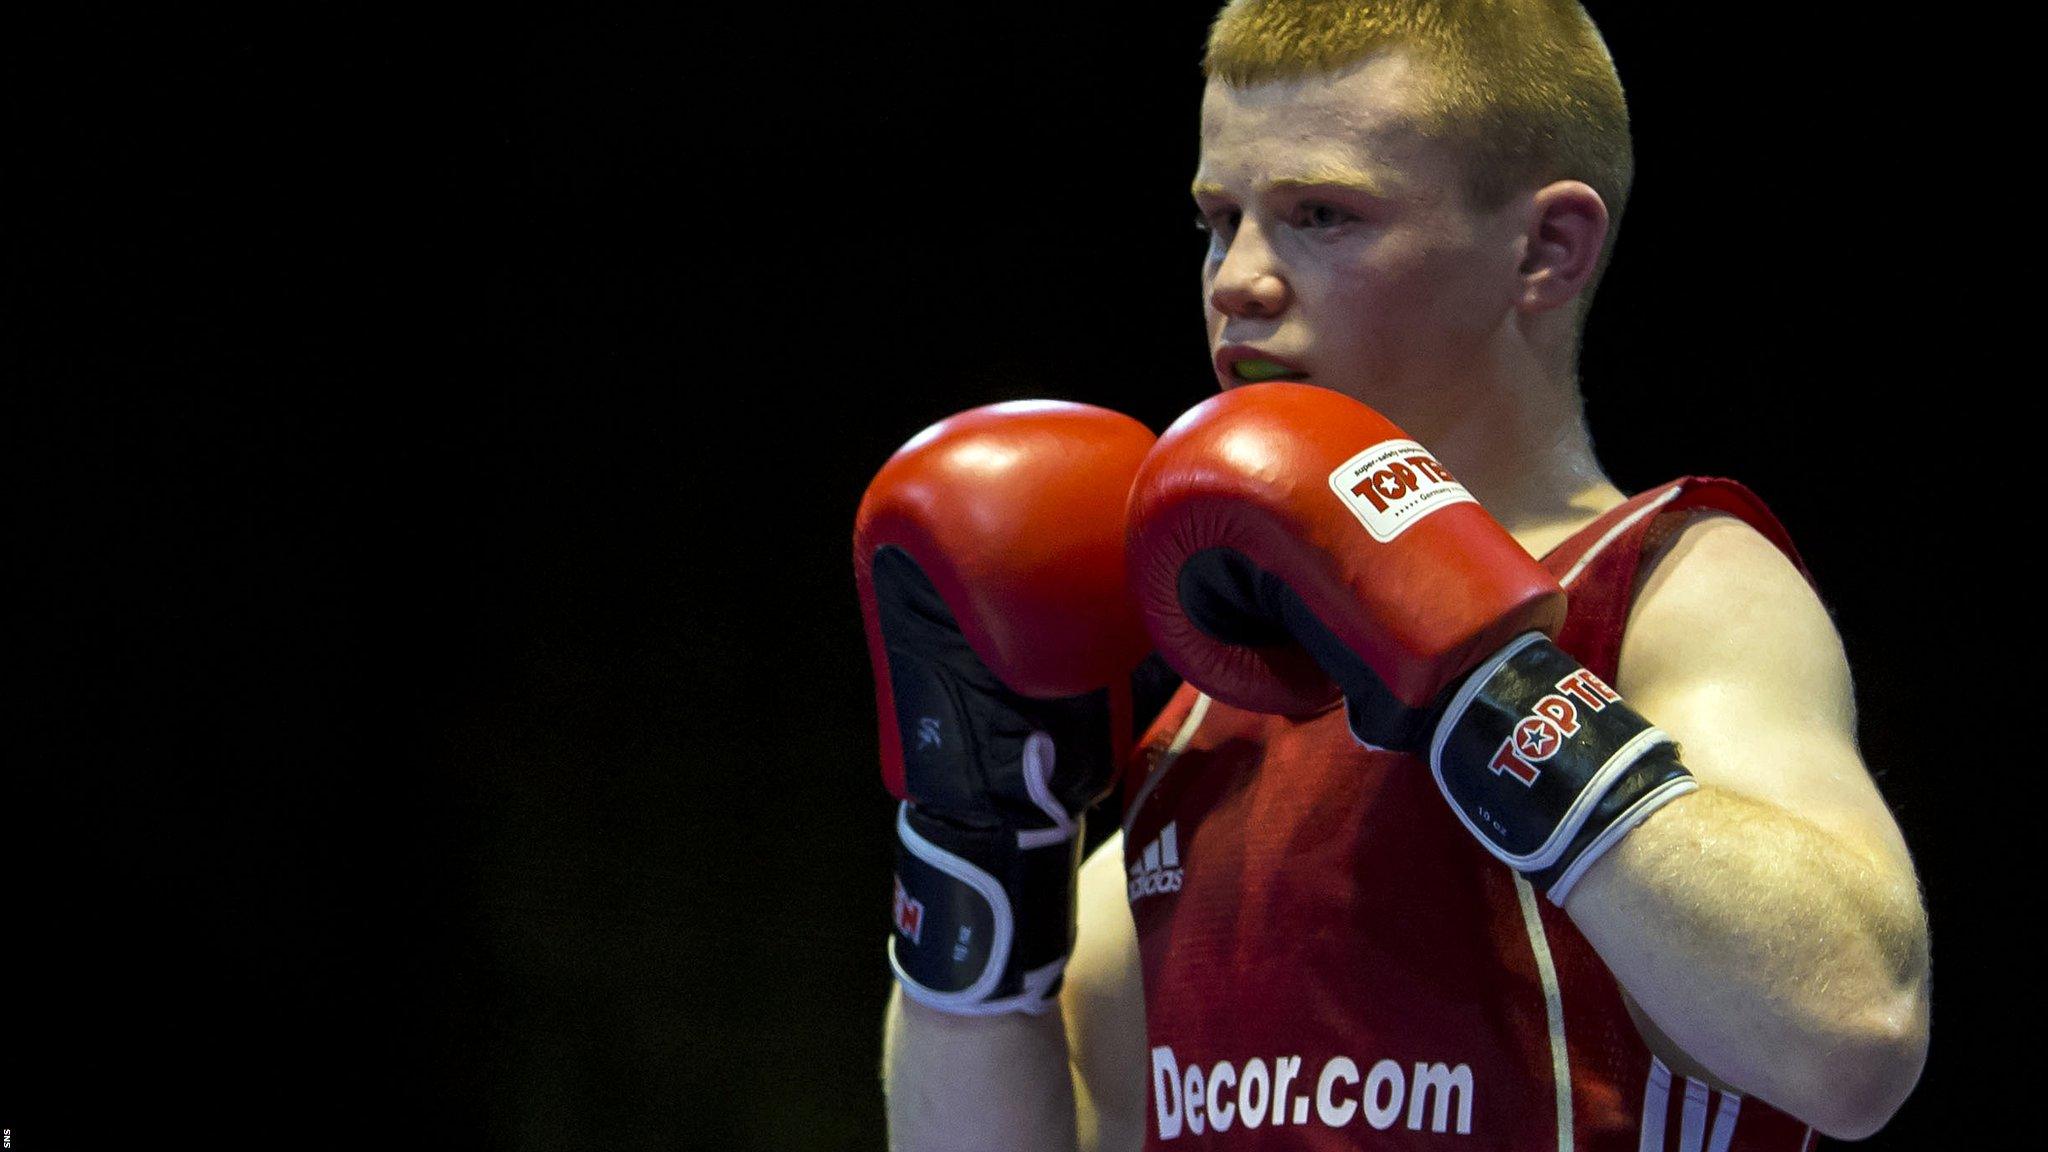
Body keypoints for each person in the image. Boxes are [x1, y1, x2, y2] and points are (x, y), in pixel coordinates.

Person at [865, 2, 1931, 1148]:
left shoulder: (1668, 590)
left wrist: (1485, 685)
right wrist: (976, 845)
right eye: (1219, 221)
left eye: (1321, 216)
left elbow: (1851, 1034)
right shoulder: (1216, 714)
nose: (1239, 281)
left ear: (1544, 250)